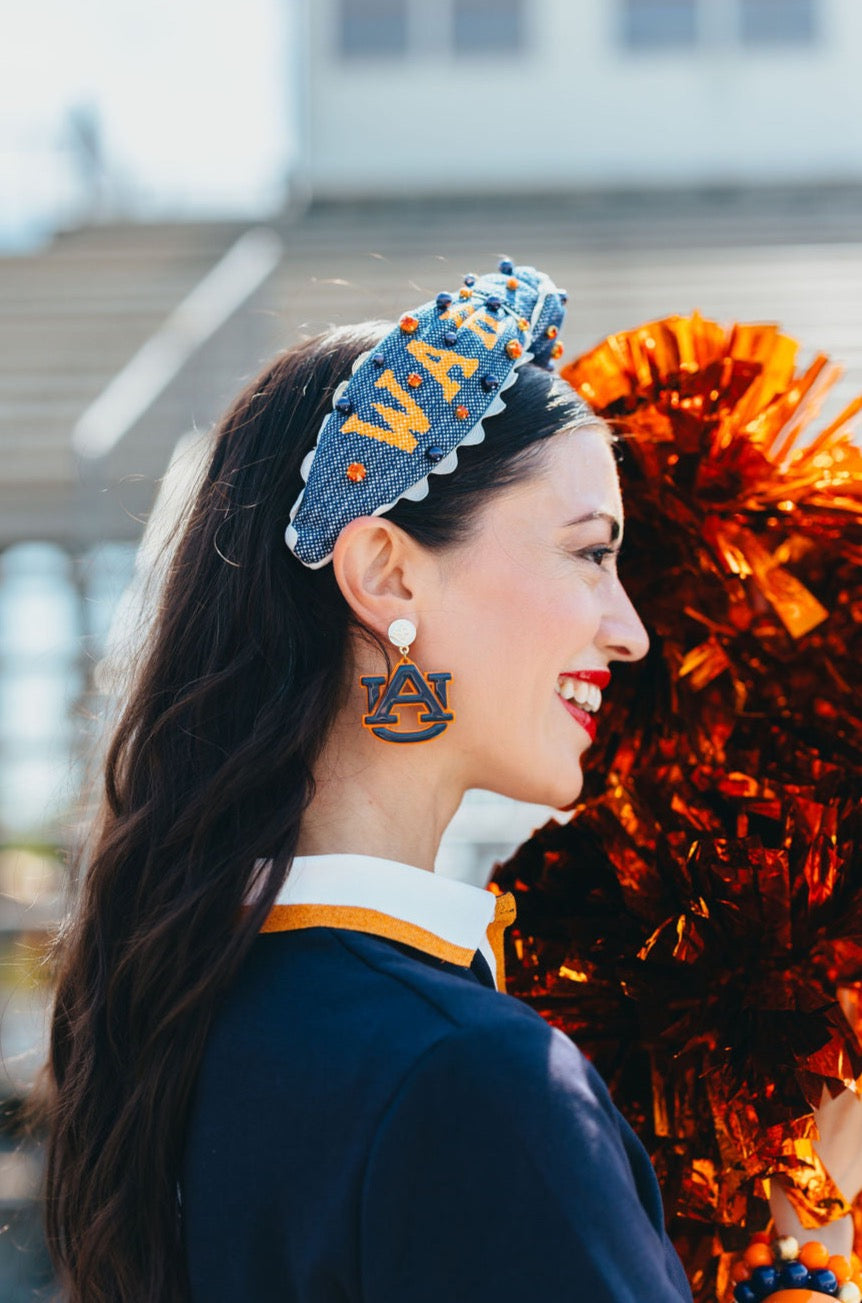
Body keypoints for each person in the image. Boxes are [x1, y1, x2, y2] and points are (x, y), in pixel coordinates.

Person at [42, 262, 693, 1302]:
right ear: (385, 572)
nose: (628, 630)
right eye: (588, 553)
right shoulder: (473, 1080)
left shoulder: (181, 1016)